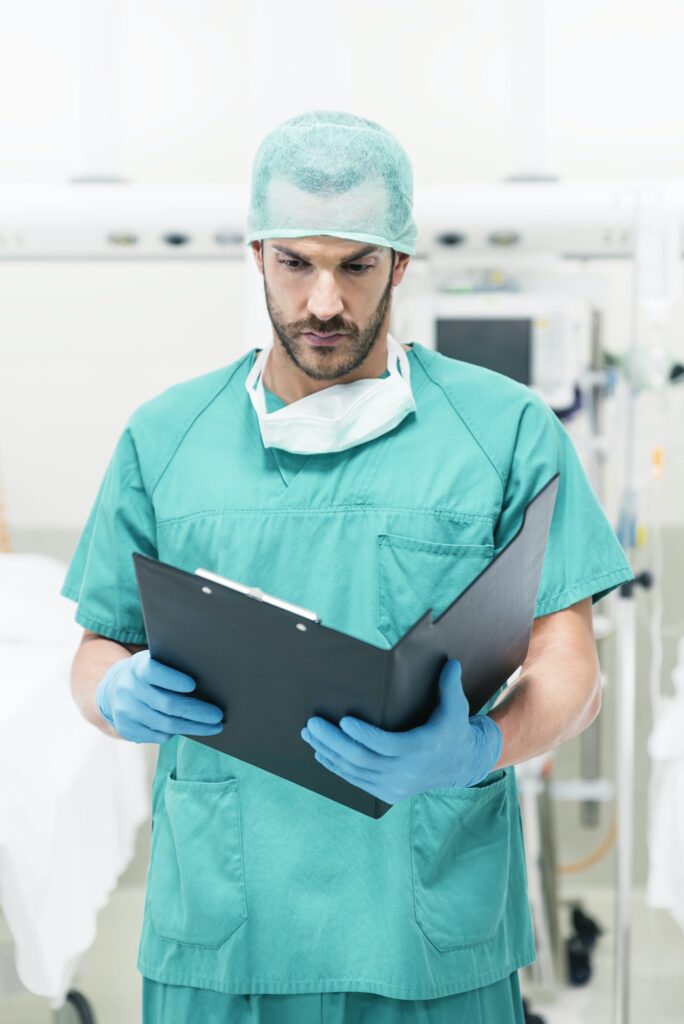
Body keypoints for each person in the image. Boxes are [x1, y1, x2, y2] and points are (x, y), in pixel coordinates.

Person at [63, 111, 633, 1024]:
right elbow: (98, 649)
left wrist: (482, 745)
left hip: (428, 938)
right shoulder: (164, 439)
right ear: (257, 255)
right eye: (296, 263)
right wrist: (114, 691)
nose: (324, 301)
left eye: (356, 265)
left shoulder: (504, 433)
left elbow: (575, 671)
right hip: (225, 940)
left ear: (401, 264)